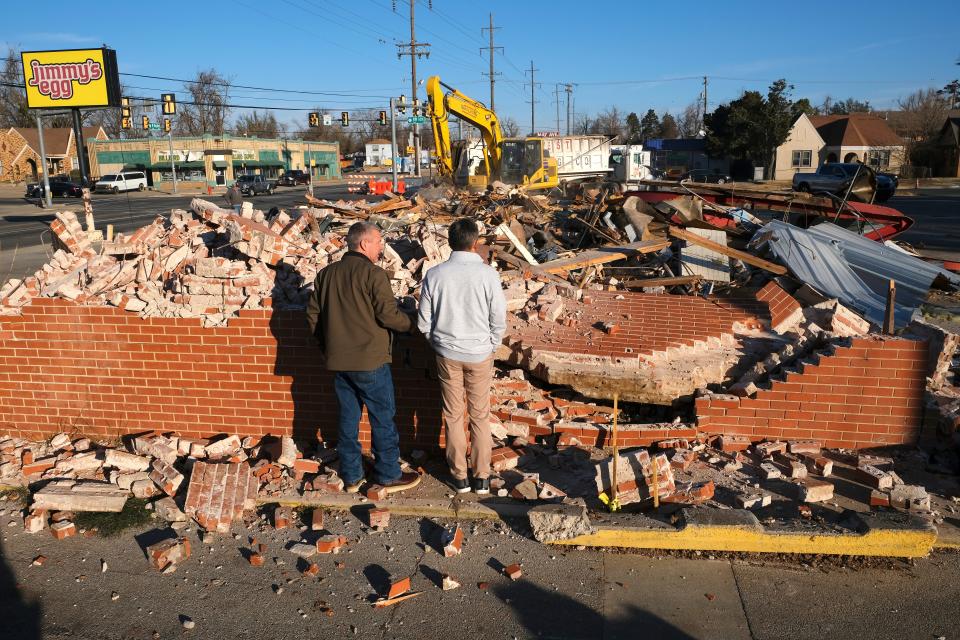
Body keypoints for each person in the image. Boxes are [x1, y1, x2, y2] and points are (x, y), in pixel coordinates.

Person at [306, 221, 421, 494]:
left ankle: (352, 476)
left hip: (339, 362)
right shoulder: (374, 274)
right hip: (370, 361)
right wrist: (412, 325)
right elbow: (388, 315)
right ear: (364, 243)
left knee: (348, 419)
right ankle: (389, 474)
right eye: (379, 241)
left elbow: (313, 317)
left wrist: (328, 346)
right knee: (382, 418)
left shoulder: (326, 275)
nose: (382, 246)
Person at [418, 218, 506, 494]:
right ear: (475, 242)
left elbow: (423, 322)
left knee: (453, 415)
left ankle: (459, 477)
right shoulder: (488, 274)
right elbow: (498, 318)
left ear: (449, 242)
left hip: (447, 353)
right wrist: (492, 344)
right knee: (480, 416)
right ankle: (481, 476)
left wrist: (438, 342)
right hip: (479, 353)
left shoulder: (435, 275)